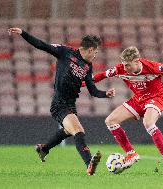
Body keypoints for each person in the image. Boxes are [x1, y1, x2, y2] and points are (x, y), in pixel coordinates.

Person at [8, 27, 115, 175]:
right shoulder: (65, 52)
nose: (96, 56)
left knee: (68, 131)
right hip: (59, 104)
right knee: (78, 131)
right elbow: (42, 45)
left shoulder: (87, 67)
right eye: (96, 52)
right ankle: (89, 163)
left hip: (70, 105)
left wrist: (105, 94)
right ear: (90, 49)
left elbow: (93, 91)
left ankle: (44, 149)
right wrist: (23, 33)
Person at [93, 46, 163, 170]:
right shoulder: (120, 69)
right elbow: (100, 76)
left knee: (148, 122)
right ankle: (131, 154)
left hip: (156, 97)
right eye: (124, 65)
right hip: (138, 99)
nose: (125, 68)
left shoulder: (151, 67)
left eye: (128, 65)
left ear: (137, 61)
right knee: (110, 121)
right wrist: (82, 83)